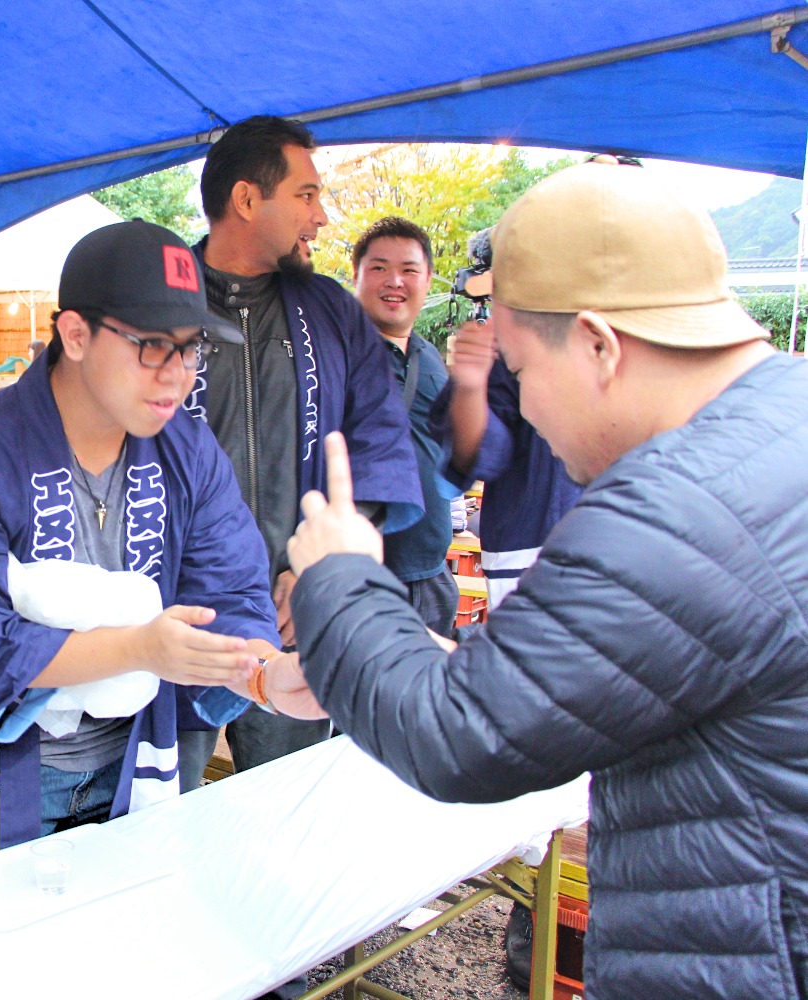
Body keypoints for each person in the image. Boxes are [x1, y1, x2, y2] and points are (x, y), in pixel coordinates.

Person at [285, 161, 808, 998]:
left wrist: (340, 577)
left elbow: (457, 738)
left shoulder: (670, 513)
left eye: (521, 374)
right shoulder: (780, 421)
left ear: (599, 344)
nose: (520, 409)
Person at [0, 221, 316, 874]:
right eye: (152, 347)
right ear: (74, 335)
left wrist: (266, 674)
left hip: (132, 757)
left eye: (191, 348)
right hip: (3, 771)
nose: (177, 376)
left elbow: (230, 591)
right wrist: (138, 647)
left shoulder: (188, 449)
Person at [177, 115, 421, 785]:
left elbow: (378, 440)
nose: (321, 215)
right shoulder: (160, 299)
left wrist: (322, 564)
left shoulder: (332, 311)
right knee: (156, 819)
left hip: (296, 617)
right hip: (179, 621)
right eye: (307, 195)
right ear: (248, 200)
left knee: (284, 818)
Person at [432, 310, 582, 610]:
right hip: (533, 552)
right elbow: (481, 454)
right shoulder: (515, 330)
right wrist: (472, 385)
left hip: (644, 543)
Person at [352, 217, 459, 636]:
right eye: (378, 268)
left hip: (432, 573)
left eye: (409, 270)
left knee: (429, 698)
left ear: (428, 279)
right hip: (365, 578)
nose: (394, 281)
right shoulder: (336, 352)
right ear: (356, 275)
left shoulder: (429, 356)